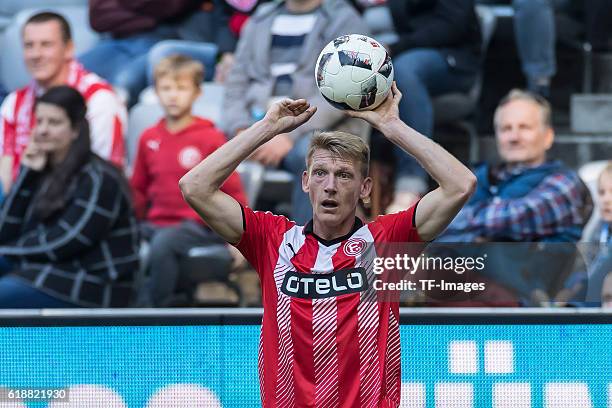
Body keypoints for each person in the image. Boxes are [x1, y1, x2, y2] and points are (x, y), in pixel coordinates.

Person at [179, 82, 476, 405]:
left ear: (364, 188)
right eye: (320, 173)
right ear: (305, 182)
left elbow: (460, 185)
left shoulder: (387, 242)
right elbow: (194, 186)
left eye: (344, 175)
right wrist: (266, 129)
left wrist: (394, 128)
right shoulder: (272, 241)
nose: (330, 186)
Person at [438, 89, 592, 304]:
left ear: (548, 136)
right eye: (506, 129)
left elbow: (512, 217)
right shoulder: (480, 176)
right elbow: (434, 224)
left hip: (524, 310)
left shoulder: (564, 185)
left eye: (524, 128)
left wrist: (462, 228)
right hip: (462, 293)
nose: (514, 137)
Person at [220, 0, 367, 225]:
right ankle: (218, 250)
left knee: (312, 158)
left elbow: (346, 90)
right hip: (256, 121)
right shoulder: (260, 18)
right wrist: (241, 130)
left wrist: (287, 134)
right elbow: (235, 84)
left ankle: (312, 250)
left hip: (313, 126)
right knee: (203, 143)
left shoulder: (344, 20)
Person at [0, 86, 138, 308]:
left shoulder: (99, 178)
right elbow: (5, 230)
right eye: (39, 121)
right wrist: (27, 175)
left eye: (54, 123)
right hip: (51, 270)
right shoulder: (44, 170)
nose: (43, 130)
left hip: (94, 284)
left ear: (75, 130)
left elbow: (68, 240)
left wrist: (6, 253)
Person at [130, 55, 247, 307]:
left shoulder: (211, 138)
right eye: (166, 88)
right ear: (156, 92)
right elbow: (137, 190)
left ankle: (155, 316)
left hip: (197, 227)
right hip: (154, 225)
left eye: (181, 88)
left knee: (165, 244)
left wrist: (239, 240)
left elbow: (233, 191)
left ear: (197, 93)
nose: (173, 96)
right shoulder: (148, 138)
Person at [0, 12, 127, 195]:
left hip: (80, 206)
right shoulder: (14, 103)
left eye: (46, 44)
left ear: (69, 48)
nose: (36, 54)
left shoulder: (98, 100)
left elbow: (103, 179)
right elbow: (4, 176)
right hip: (24, 209)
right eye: (29, 46)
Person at [381, 0, 482, 213]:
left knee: (405, 70)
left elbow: (452, 26)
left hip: (453, 58)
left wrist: (395, 47)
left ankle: (410, 185)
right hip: (401, 54)